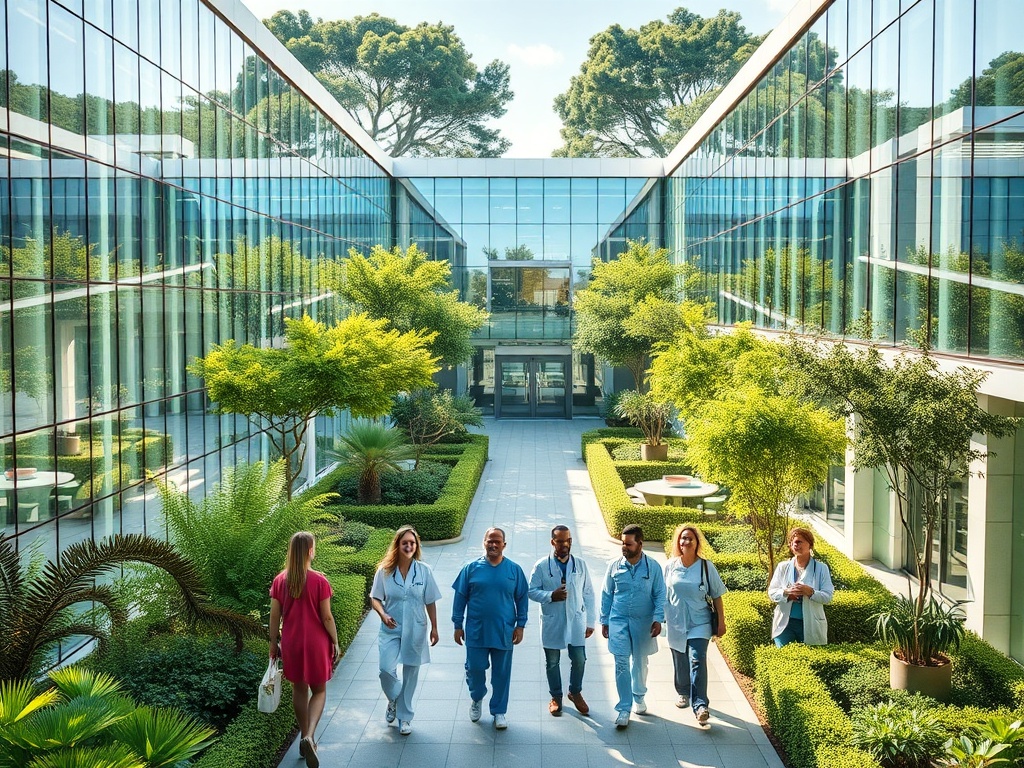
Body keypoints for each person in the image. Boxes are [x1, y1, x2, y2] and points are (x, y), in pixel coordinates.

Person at [269, 532, 340, 768]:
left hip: (292, 642)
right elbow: (327, 617)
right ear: (310, 551)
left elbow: (274, 617)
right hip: (316, 642)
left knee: (299, 689)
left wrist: (273, 643)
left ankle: (303, 736)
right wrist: (336, 641)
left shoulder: (280, 580)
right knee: (319, 690)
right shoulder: (320, 581)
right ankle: (310, 735)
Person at [451, 527, 529, 730]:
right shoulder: (471, 568)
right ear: (484, 542)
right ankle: (477, 698)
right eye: (489, 541)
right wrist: (457, 625)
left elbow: (521, 599)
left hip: (503, 630)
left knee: (502, 673)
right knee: (475, 669)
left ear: (504, 544)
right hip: (476, 630)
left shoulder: (514, 570)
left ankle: (499, 711)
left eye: (497, 541)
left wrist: (520, 625)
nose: (493, 544)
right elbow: (460, 597)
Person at [369, 526, 442, 736]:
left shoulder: (424, 571)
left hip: (416, 628)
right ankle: (394, 699)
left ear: (416, 546)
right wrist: (383, 614)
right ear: (398, 546)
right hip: (390, 629)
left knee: (411, 674)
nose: (409, 546)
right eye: (405, 543)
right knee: (385, 670)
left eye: (412, 542)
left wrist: (435, 627)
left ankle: (405, 717)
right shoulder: (384, 571)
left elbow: (430, 601)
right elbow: (375, 598)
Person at [600, 524, 666, 729]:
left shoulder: (653, 567)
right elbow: (606, 594)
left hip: (643, 622)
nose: (624, 547)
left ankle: (639, 695)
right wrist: (604, 620)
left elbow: (660, 594)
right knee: (620, 662)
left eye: (628, 544)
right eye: (622, 543)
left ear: (640, 544)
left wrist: (658, 618)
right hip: (618, 620)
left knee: (640, 662)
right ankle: (623, 708)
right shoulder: (614, 566)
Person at [528, 524, 597, 716]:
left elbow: (589, 593)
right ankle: (556, 696)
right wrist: (551, 595)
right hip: (553, 620)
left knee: (580, 659)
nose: (564, 544)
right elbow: (531, 591)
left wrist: (591, 621)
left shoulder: (580, 564)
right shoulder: (542, 565)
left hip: (576, 620)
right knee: (552, 662)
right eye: (560, 541)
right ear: (552, 542)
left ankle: (575, 692)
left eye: (567, 540)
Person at [663, 524, 727, 727]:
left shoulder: (706, 567)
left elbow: (716, 595)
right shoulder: (670, 566)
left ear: (697, 542)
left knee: (697, 660)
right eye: (682, 538)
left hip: (700, 622)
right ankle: (683, 692)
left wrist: (722, 622)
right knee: (680, 659)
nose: (685, 542)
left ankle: (700, 705)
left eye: (690, 538)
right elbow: (661, 594)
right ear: (678, 542)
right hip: (675, 621)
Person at [769, 526, 834, 648]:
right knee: (784, 659)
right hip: (785, 625)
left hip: (810, 624)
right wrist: (786, 593)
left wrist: (811, 592)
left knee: (809, 660)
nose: (795, 545)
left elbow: (828, 597)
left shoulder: (821, 568)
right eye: (793, 542)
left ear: (810, 545)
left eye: (799, 541)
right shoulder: (783, 567)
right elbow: (772, 592)